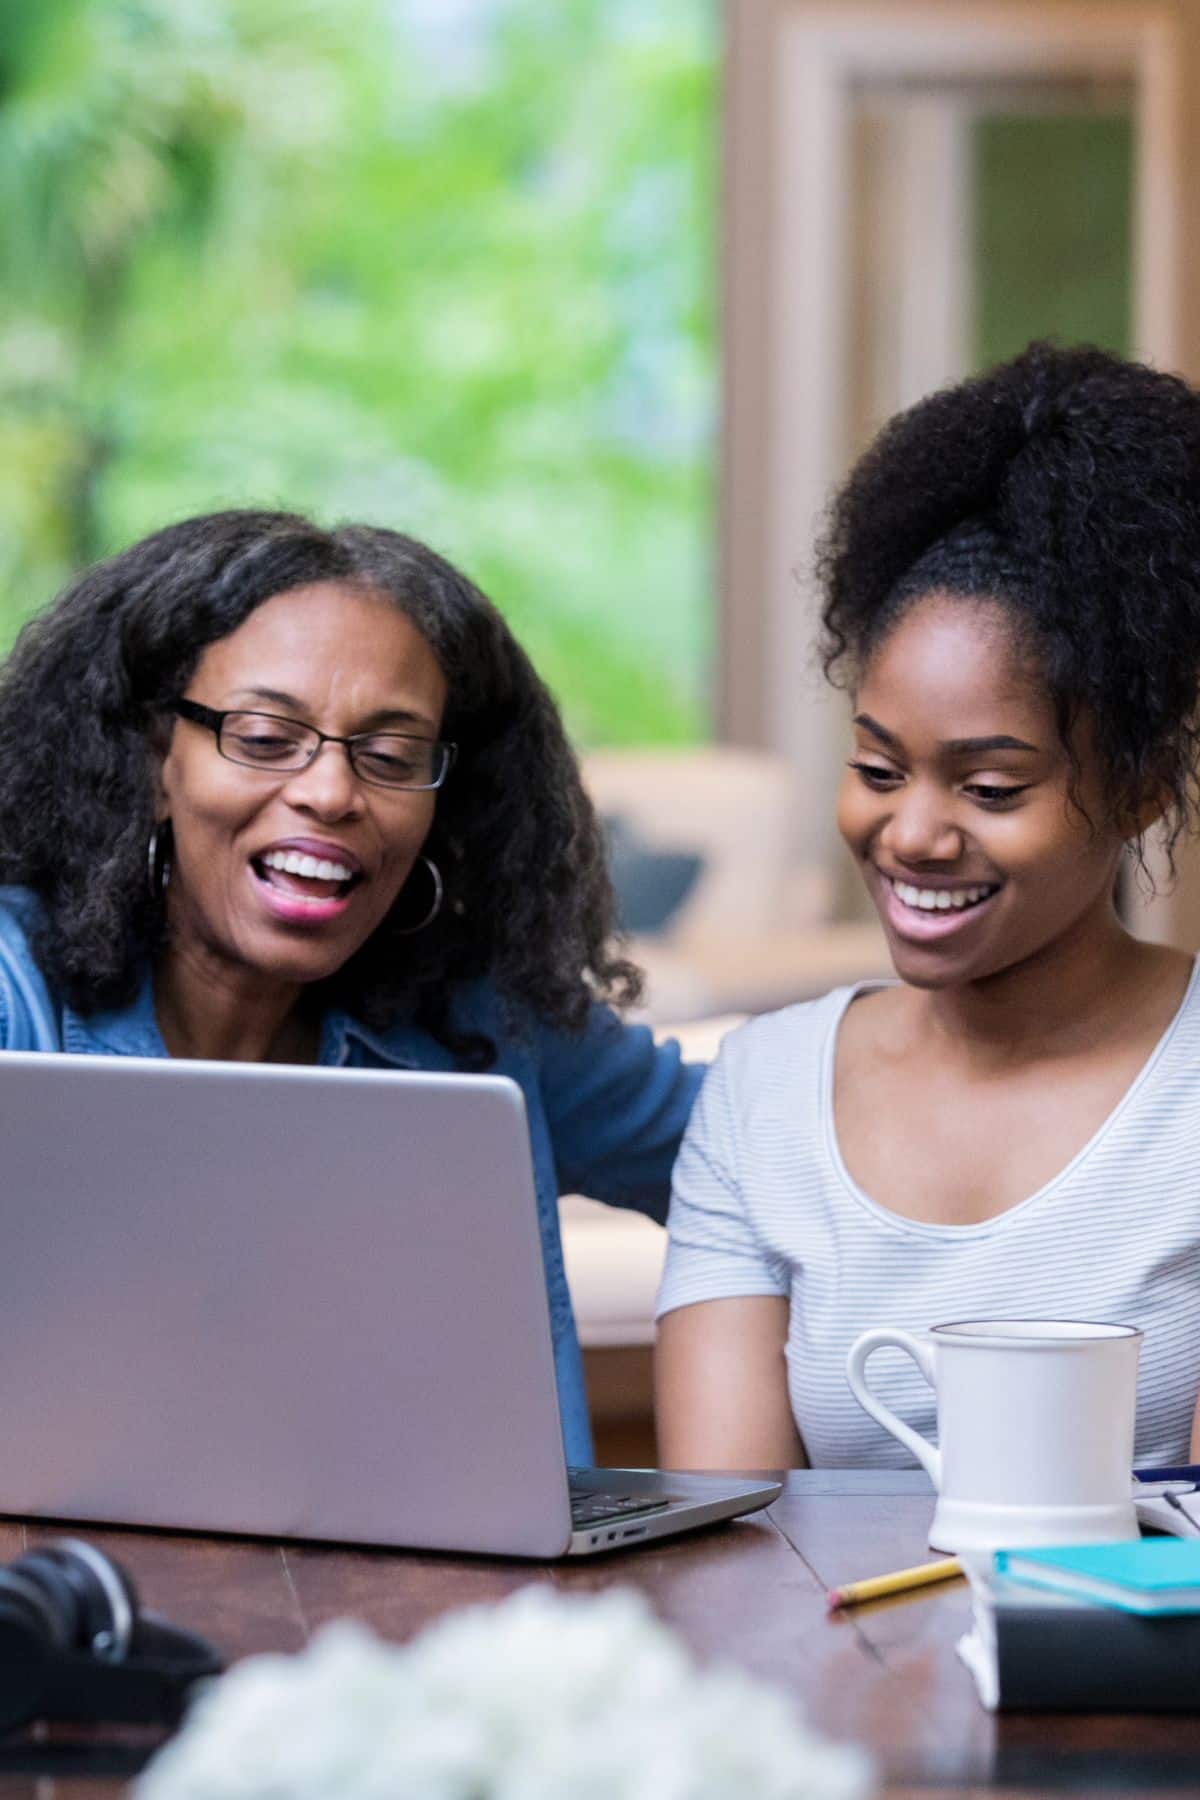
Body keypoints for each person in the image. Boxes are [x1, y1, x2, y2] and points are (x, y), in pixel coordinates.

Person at [0, 509, 702, 1466]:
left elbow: (751, 1152)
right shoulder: (14, 995)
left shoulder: (482, 1017)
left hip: (441, 1601)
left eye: (390, 753)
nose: (331, 792)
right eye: (263, 735)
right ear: (155, 758)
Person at [656, 343, 1200, 1470]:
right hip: (812, 1650)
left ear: (1141, 787)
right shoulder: (763, 1098)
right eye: (879, 768)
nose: (911, 834)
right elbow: (723, 1538)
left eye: (991, 787)